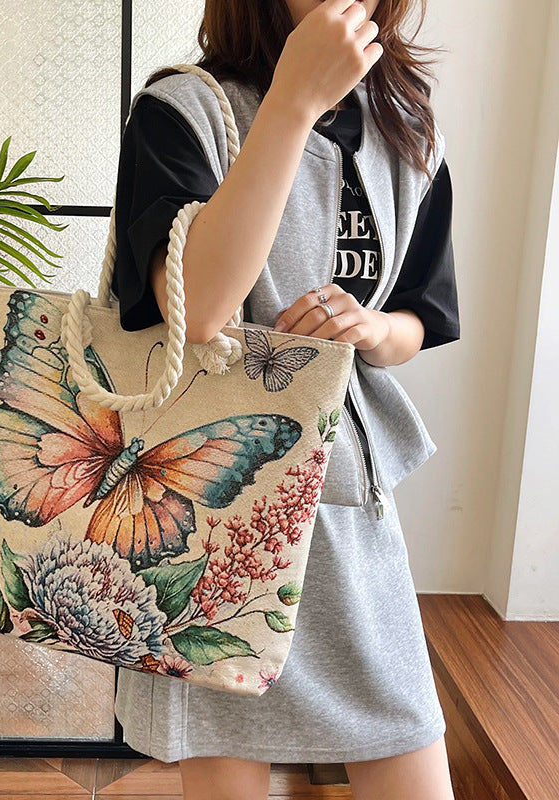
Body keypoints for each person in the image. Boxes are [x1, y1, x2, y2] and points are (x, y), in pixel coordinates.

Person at [110, 1, 460, 798]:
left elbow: (422, 316)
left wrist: (370, 329)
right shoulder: (184, 110)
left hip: (348, 511)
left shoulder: (407, 125)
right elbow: (196, 312)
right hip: (214, 510)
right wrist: (294, 102)